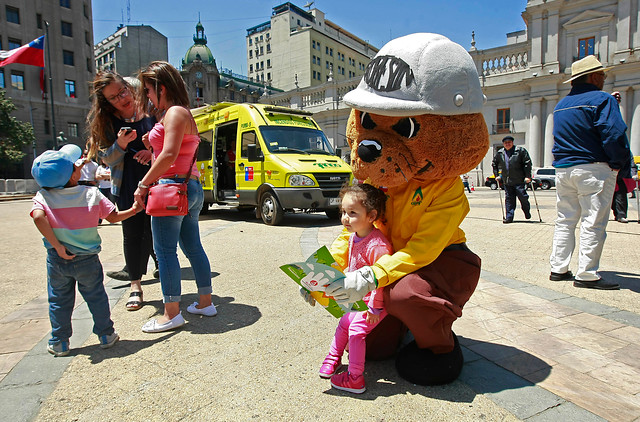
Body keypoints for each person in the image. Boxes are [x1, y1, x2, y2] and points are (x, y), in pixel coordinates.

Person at [30, 144, 142, 356]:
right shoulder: (91, 193)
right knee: (96, 296)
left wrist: (57, 246)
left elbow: (38, 217)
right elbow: (114, 217)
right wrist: (135, 209)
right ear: (72, 175)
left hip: (57, 258)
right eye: (75, 166)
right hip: (88, 258)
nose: (79, 167)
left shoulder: (43, 196)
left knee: (59, 300)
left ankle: (60, 342)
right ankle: (106, 335)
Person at [134, 61, 216, 333]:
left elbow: (169, 155)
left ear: (162, 88)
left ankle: (171, 314)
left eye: (148, 90)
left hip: (171, 187)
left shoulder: (174, 113)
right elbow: (172, 150)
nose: (147, 95)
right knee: (192, 247)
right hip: (189, 186)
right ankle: (205, 302)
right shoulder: (181, 114)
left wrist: (143, 184)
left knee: (165, 251)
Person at [550, 55, 631, 290]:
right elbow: (614, 134)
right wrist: (618, 163)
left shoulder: (561, 105)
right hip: (593, 167)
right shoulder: (602, 100)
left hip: (564, 169)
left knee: (565, 220)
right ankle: (587, 274)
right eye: (603, 75)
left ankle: (559, 268)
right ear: (594, 77)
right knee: (593, 221)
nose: (604, 79)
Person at [302, 184, 392, 394]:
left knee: (356, 330)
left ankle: (355, 378)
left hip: (373, 303)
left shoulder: (377, 244)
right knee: (344, 322)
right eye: (343, 212)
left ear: (371, 216)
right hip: (358, 299)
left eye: (352, 213)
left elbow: (382, 277)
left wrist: (374, 308)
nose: (345, 218)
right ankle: (334, 358)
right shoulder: (354, 237)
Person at [87, 71, 158, 311]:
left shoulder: (150, 108)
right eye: (113, 98)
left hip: (155, 181)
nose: (121, 99)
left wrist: (151, 152)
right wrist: (121, 144)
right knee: (131, 233)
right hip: (127, 182)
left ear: (128, 87)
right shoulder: (108, 122)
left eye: (122, 92)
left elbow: (166, 142)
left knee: (153, 232)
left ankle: (162, 275)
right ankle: (135, 285)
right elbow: (106, 158)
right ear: (106, 102)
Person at [492, 136, 532, 223]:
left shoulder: (520, 151)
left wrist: (528, 176)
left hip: (519, 180)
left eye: (509, 142)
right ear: (503, 144)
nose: (507, 144)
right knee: (509, 200)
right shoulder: (500, 153)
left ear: (512, 143)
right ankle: (509, 217)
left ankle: (526, 211)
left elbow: (527, 163)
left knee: (523, 197)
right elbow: (494, 163)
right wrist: (496, 175)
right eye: (505, 143)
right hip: (507, 181)